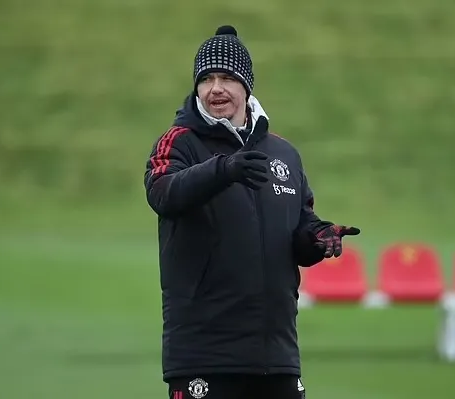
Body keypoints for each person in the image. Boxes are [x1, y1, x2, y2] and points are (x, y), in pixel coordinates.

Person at [143, 24, 360, 399]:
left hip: (276, 355)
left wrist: (317, 237)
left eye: (227, 77)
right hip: (205, 355)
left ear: (246, 85)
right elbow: (163, 192)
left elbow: (298, 224)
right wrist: (224, 169)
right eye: (207, 78)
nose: (215, 88)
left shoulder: (283, 153)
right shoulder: (178, 141)